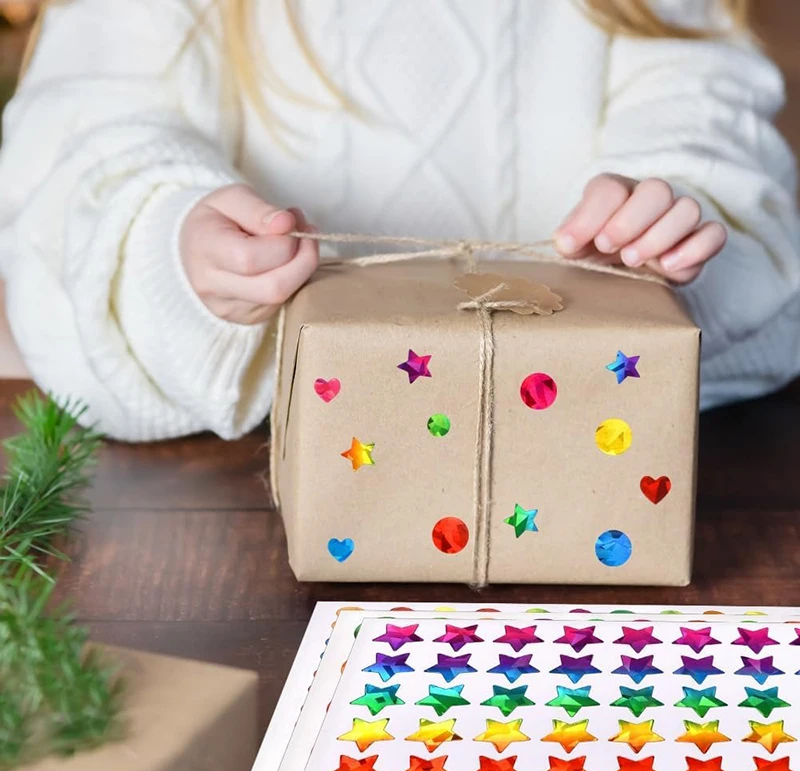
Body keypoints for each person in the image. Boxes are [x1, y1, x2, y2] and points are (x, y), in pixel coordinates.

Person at [0, 0, 797, 441]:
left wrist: (667, 224)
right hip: (259, 491)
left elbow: (702, 122)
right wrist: (175, 254)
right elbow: (86, 155)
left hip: (591, 448)